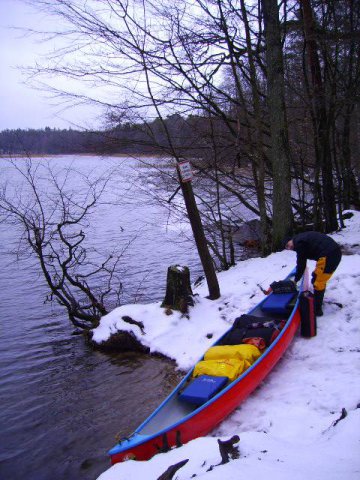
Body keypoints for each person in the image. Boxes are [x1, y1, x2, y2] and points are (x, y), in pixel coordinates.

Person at [284, 232, 342, 316]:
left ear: (290, 240)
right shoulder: (300, 238)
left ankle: (317, 310)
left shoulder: (299, 243)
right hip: (331, 252)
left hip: (329, 255)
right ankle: (317, 299)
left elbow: (301, 264)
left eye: (288, 245)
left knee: (318, 283)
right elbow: (302, 262)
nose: (289, 247)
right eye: (287, 248)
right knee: (316, 277)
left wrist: (295, 280)